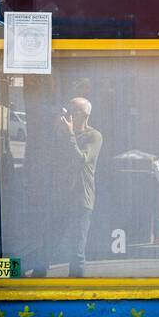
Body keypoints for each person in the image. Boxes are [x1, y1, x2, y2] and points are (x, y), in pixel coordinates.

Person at [52, 96, 101, 277]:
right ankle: (35, 282)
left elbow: (80, 159)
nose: (68, 115)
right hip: (62, 197)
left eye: (72, 112)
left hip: (81, 200)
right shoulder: (65, 134)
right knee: (49, 241)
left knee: (77, 250)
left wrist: (70, 134)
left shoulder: (94, 136)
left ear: (84, 115)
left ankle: (76, 290)